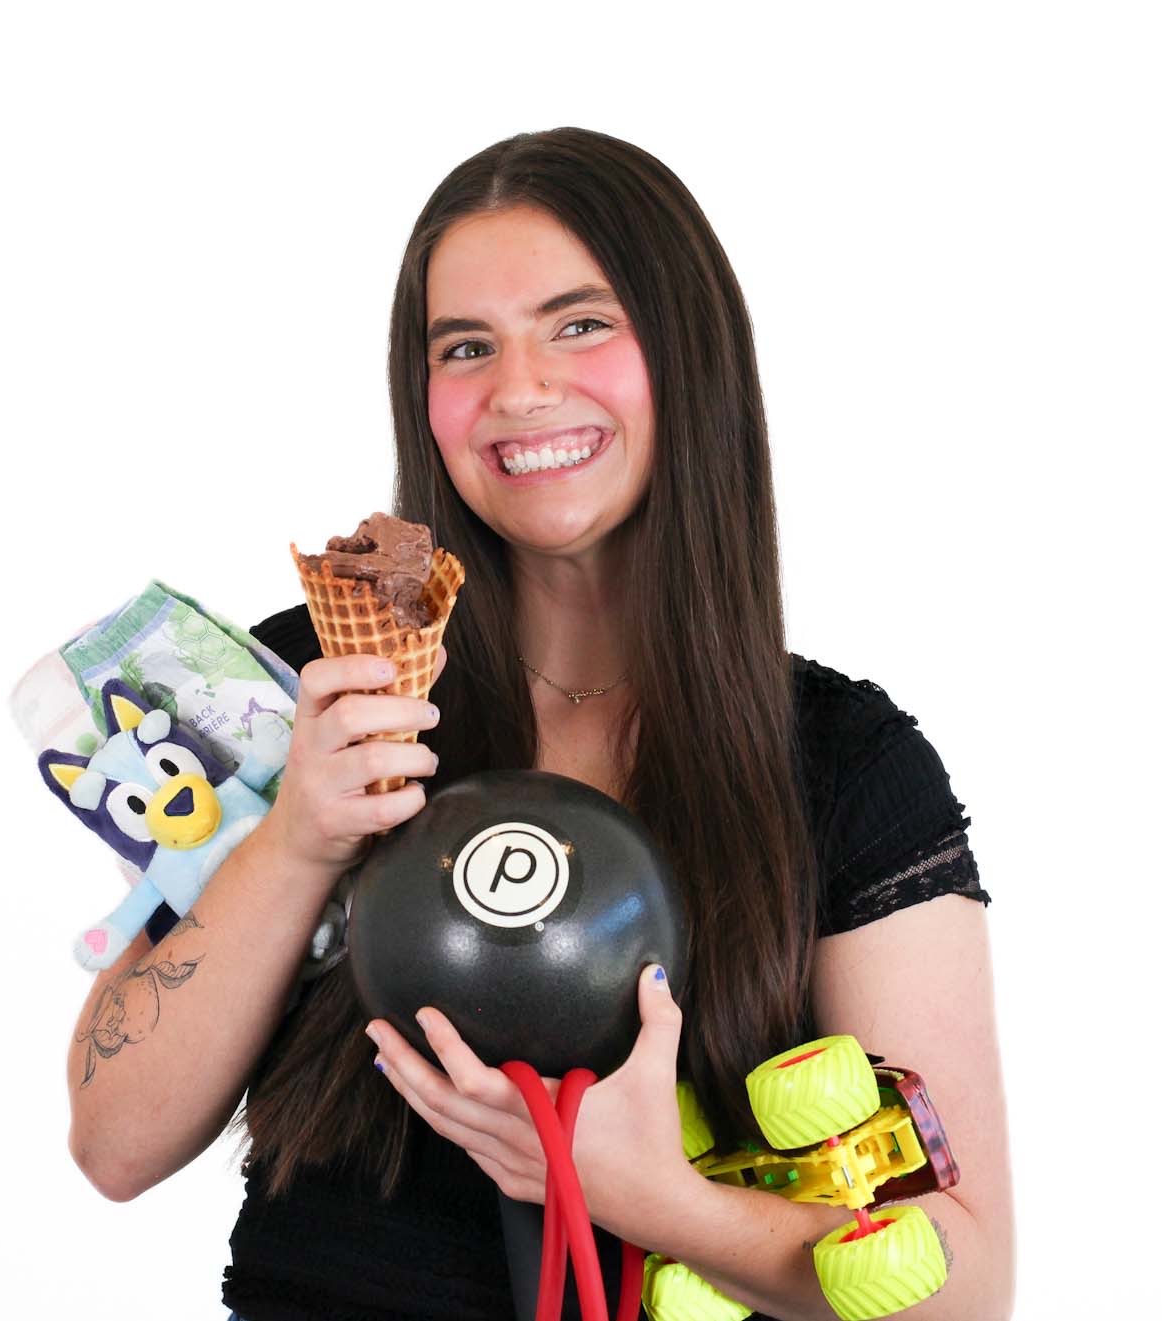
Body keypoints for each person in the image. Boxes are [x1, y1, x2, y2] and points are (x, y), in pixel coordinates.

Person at [66, 128, 1015, 1320]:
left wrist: (651, 1197)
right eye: (467, 346)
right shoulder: (321, 688)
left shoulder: (843, 763)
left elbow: (966, 1289)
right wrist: (298, 838)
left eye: (578, 324)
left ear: (686, 351)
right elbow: (114, 1140)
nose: (518, 389)